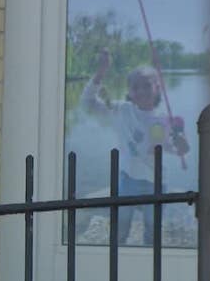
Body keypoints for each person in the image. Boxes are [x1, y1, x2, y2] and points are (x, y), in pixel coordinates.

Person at [80, 48, 190, 245]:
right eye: (135, 87)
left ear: (157, 88)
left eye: (147, 86)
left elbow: (178, 150)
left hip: (155, 183)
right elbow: (88, 103)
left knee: (152, 232)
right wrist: (101, 72)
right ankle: (117, 260)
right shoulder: (121, 111)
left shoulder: (165, 120)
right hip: (128, 180)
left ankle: (150, 261)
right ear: (129, 91)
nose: (141, 91)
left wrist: (182, 144)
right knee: (120, 230)